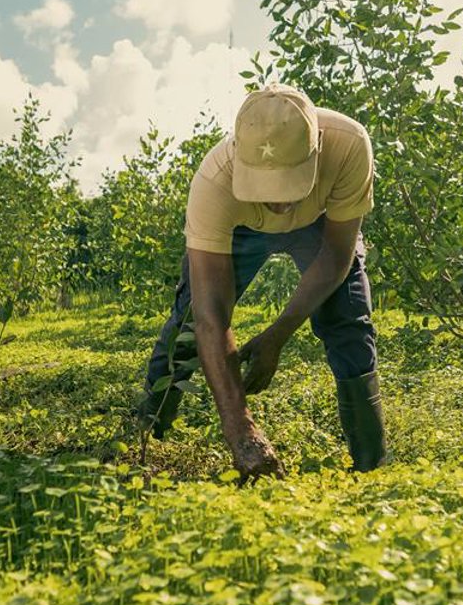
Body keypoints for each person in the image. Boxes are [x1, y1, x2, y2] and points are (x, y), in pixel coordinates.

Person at [135, 85, 386, 476]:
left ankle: (371, 465)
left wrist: (277, 335)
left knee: (347, 319)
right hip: (242, 229)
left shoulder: (349, 145)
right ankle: (146, 434)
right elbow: (211, 315)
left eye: (289, 184)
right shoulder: (215, 181)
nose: (279, 204)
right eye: (267, 189)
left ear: (317, 149)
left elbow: (337, 256)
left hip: (321, 222)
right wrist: (243, 433)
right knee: (188, 323)